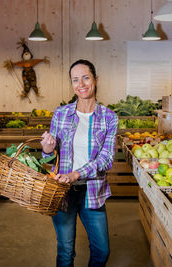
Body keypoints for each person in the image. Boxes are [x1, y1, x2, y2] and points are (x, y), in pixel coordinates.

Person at [40, 59, 118, 267]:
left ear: (95, 79)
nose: (81, 84)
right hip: (62, 191)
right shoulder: (61, 113)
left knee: (102, 251)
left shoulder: (109, 117)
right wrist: (47, 148)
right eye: (75, 80)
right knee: (65, 252)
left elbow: (106, 159)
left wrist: (76, 174)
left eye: (86, 77)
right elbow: (49, 154)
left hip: (92, 190)